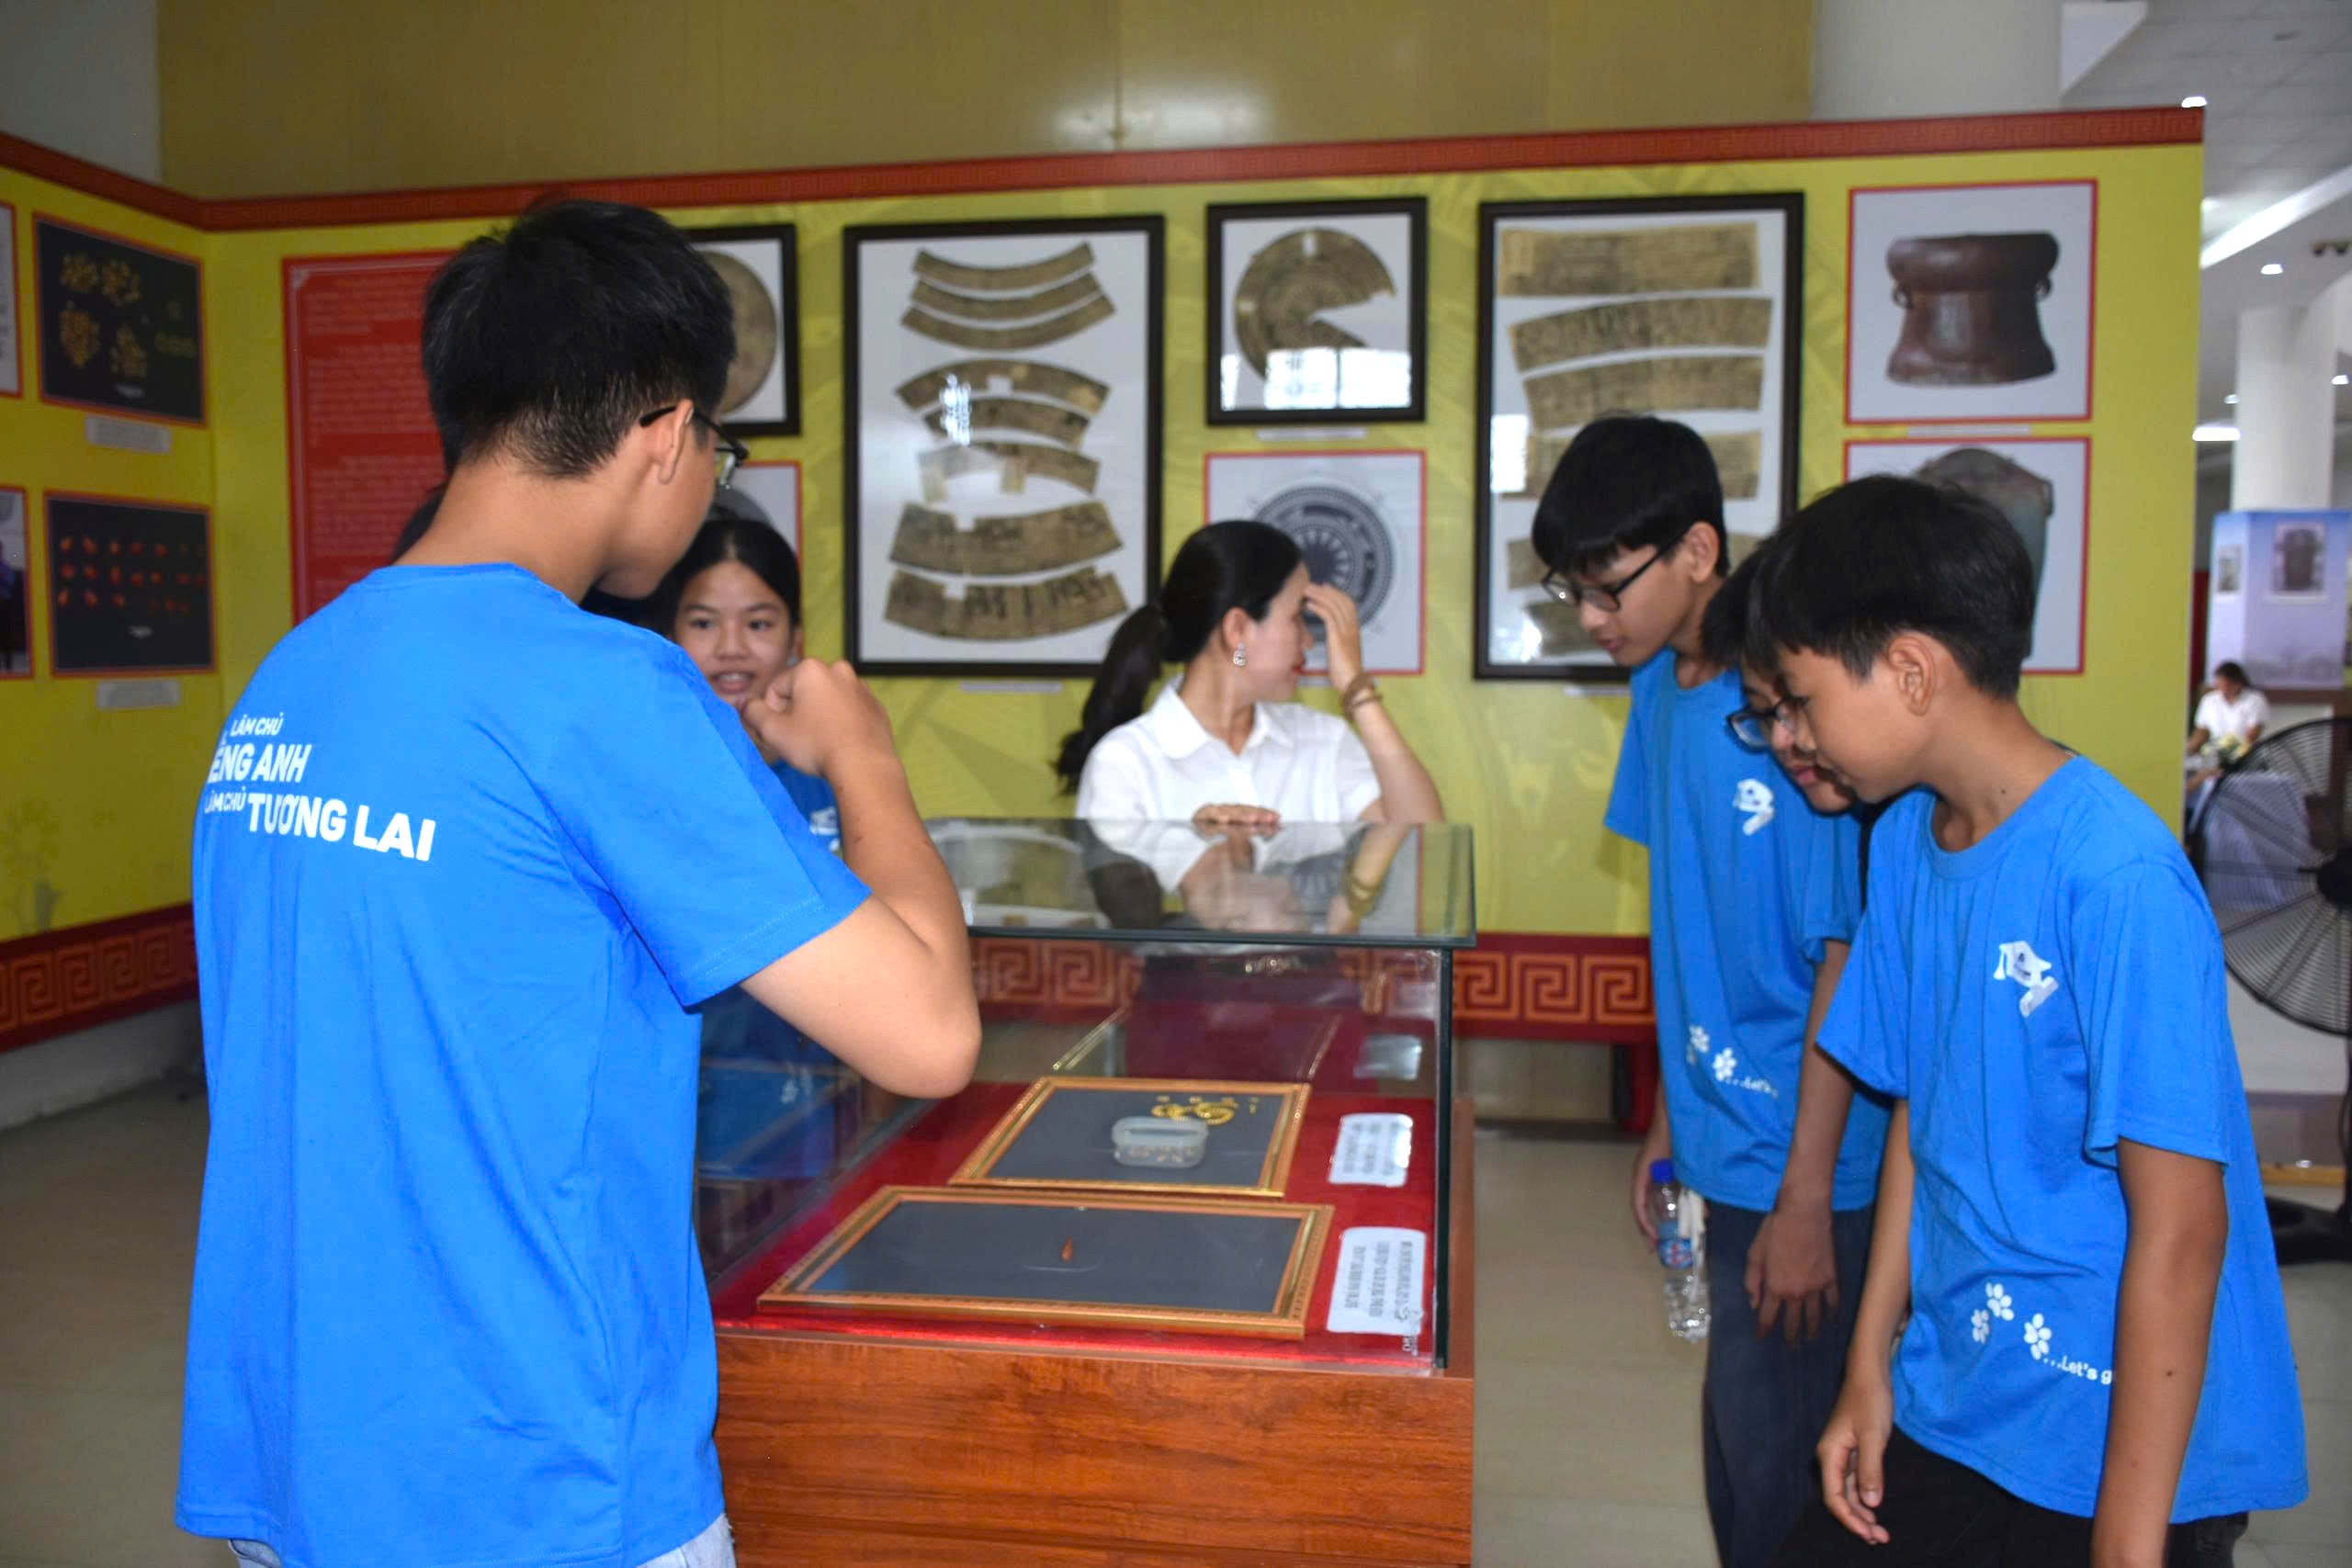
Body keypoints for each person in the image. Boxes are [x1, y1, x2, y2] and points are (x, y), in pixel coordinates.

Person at [178, 198, 980, 1568]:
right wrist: (865, 754)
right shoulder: (605, 687)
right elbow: (930, 1033)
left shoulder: (296, 669)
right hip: (542, 1482)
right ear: (665, 432)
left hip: (298, 1456)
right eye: (717, 446)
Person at [1752, 476, 2307, 1568]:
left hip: (2111, 1442)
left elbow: (2184, 1230)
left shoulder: (2114, 875)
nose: (1786, 734)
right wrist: (1869, 1370)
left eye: (1800, 700)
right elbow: (1923, 1108)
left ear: (1910, 670)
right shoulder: (1908, 840)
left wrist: (2127, 1545)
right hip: (1960, 1399)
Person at [1532, 415, 1886, 1568]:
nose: (1591, 620)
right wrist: (1662, 1120)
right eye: (1571, 594)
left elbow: (1842, 948)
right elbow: (1678, 921)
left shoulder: (1789, 706)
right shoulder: (1656, 693)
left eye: (1605, 590)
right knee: (1740, 1457)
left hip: (1809, 1163)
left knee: (1794, 1490)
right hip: (1722, 1144)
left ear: (1696, 550)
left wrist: (1804, 1198)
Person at [1057, 517, 1442, 867]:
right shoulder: (1125, 763)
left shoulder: (1323, 740)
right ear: (1238, 631)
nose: (1309, 641)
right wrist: (1193, 857)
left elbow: (1427, 842)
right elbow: (1120, 926)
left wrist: (1358, 691)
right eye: (1296, 618)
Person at [2188, 660, 2267, 761]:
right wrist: (2190, 750)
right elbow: (2202, 730)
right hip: (2214, 755)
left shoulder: (2255, 700)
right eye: (2219, 686)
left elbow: (2252, 735)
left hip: (2247, 757)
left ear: (2238, 684)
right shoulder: (2209, 700)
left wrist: (2224, 756)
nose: (2223, 690)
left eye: (2227, 686)